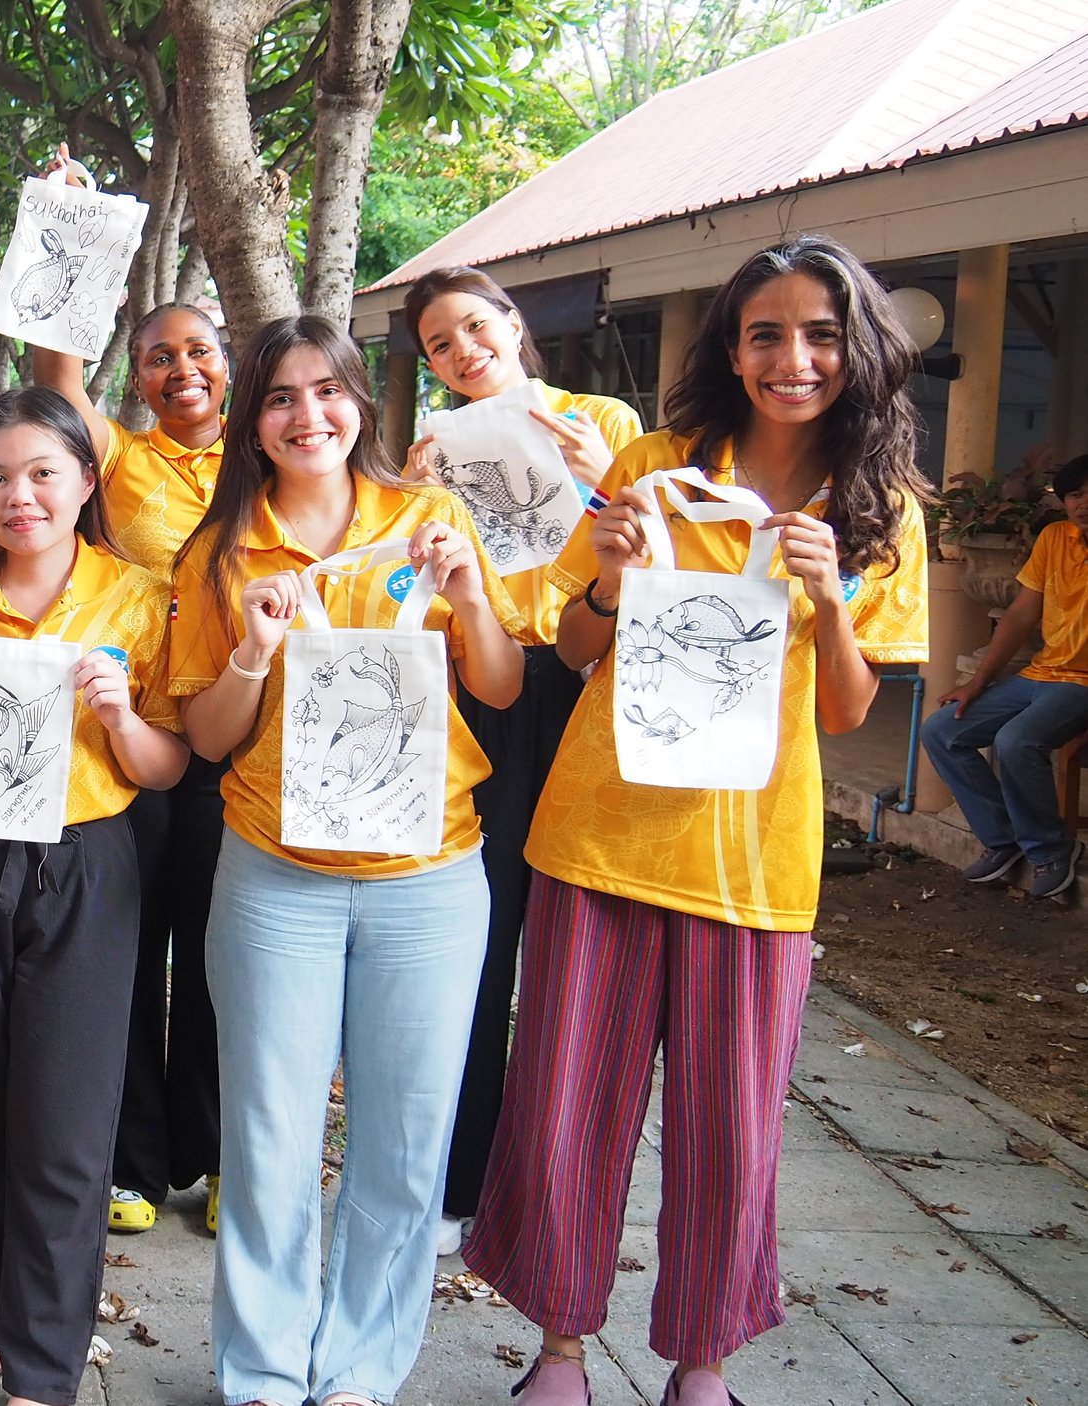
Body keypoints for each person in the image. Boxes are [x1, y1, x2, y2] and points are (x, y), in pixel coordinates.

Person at [465, 234, 930, 1406]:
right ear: (731, 347)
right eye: (765, 333)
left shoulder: (878, 514)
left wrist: (829, 602)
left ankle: (702, 1364)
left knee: (730, 1135)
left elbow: (846, 705)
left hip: (753, 866)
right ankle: (559, 1352)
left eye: (820, 334)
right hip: (599, 840)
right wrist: (609, 580)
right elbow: (572, 648)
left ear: (856, 349)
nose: (793, 358)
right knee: (568, 1109)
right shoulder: (657, 462)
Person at [170, 316, 523, 1406]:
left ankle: (360, 1369)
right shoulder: (218, 550)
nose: (307, 414)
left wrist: (467, 595)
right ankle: (265, 1375)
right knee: (269, 1136)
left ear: (363, 403)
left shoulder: (431, 520)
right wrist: (252, 651)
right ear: (252, 419)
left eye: (328, 391)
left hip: (430, 876)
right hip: (275, 875)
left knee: (405, 1137)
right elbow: (206, 737)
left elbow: (501, 689)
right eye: (281, 396)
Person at [0, 388, 187, 1406]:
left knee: (62, 1121)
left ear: (86, 481)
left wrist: (118, 717)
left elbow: (164, 766)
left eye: (44, 473)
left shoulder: (137, 598)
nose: (21, 496)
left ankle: (44, 1370)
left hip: (83, 864)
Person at [398, 267, 646, 1256]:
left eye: (472, 326)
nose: (461, 351)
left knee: (577, 939)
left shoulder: (605, 421)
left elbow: (658, 547)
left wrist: (600, 479)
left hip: (590, 682)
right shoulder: (437, 450)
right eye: (437, 345)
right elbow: (419, 579)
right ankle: (463, 1174)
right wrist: (412, 506)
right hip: (488, 682)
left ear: (512, 324)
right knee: (482, 930)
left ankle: (554, 1179)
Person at [33, 271, 230, 1238]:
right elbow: (56, 383)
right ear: (140, 380)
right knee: (131, 949)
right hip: (134, 730)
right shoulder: (120, 459)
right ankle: (132, 1160)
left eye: (199, 351)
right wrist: (68, 248)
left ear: (229, 367)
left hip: (243, 737)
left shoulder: (265, 460)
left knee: (214, 955)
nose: (181, 368)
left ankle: (220, 1151)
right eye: (159, 356)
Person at [921, 451, 1088, 899]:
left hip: (1083, 683)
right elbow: (1018, 616)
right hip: (1041, 675)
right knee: (941, 730)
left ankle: (1051, 850)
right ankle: (1003, 840)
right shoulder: (1055, 538)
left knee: (1017, 740)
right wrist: (977, 684)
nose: (1083, 503)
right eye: (1076, 494)